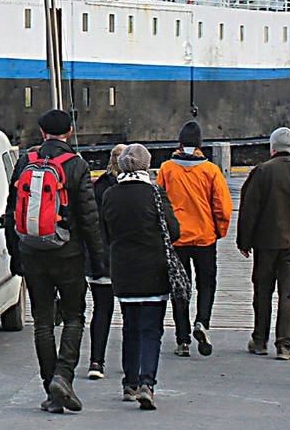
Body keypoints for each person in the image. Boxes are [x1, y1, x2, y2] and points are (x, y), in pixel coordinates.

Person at [4, 109, 106, 413]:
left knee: (43, 321)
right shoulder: (76, 166)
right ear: (70, 132)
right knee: (74, 316)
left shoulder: (26, 162)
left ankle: (50, 386)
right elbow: (89, 218)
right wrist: (97, 260)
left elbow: (12, 214)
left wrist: (15, 255)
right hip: (68, 254)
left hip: (33, 253)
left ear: (42, 132)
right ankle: (64, 376)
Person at [100, 144, 180, 409]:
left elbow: (106, 233)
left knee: (130, 327)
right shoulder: (155, 193)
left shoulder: (111, 195)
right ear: (147, 165)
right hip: (153, 270)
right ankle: (148, 382)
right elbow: (174, 231)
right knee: (151, 329)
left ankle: (129, 383)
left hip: (123, 271)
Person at [157, 120, 233, 358]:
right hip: (204, 238)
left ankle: (182, 339)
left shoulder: (167, 169)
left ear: (179, 144)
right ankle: (202, 321)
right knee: (206, 284)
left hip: (177, 239)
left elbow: (159, 202)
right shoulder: (210, 171)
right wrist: (218, 231)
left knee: (181, 288)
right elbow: (223, 208)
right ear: (200, 145)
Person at [236, 127, 290, 360]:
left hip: (265, 242)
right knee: (288, 293)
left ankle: (259, 340)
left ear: (272, 147)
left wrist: (244, 241)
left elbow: (249, 208)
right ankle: (284, 344)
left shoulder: (261, 171)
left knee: (262, 290)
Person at [86, 144, 126, 380]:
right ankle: (130, 361)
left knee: (101, 310)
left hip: (99, 259)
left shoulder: (97, 188)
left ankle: (96, 361)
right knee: (130, 312)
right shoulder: (135, 190)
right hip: (126, 261)